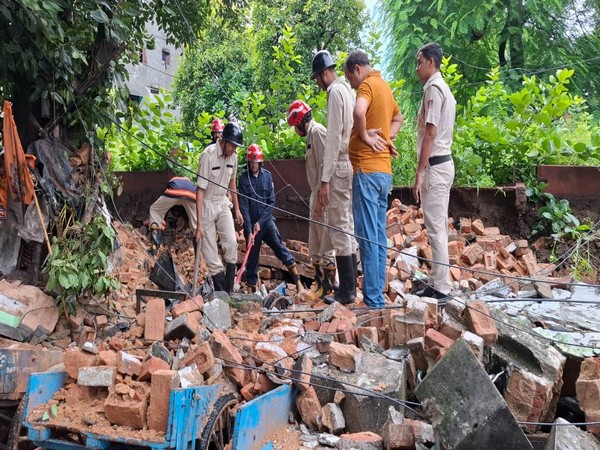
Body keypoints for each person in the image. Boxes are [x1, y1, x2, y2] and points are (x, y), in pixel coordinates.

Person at [343, 50, 404, 308]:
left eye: (349, 78)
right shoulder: (385, 87)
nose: (351, 84)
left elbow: (358, 112)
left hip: (367, 172)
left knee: (368, 237)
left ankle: (373, 301)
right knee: (378, 236)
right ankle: (376, 295)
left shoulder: (367, 85)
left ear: (357, 68)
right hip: (384, 173)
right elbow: (399, 118)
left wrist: (367, 138)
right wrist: (388, 139)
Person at [310, 49, 357, 305]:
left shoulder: (335, 92)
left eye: (318, 78)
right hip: (348, 162)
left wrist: (325, 180)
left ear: (324, 74)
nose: (318, 83)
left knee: (339, 228)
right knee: (346, 225)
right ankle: (349, 287)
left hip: (338, 165)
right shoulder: (348, 91)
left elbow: (332, 140)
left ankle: (347, 290)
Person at [414, 43, 456, 300]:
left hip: (436, 165)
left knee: (436, 228)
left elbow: (431, 131)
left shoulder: (434, 89)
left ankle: (442, 288)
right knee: (437, 225)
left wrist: (419, 171)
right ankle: (438, 280)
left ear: (430, 62)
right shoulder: (444, 89)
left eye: (419, 62)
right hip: (443, 163)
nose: (418, 68)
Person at [237, 144, 303, 294]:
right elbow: (244, 207)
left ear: (260, 162)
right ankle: (252, 291)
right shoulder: (243, 178)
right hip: (252, 227)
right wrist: (249, 230)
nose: (254, 165)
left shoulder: (267, 176)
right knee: (252, 259)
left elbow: (271, 203)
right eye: (251, 162)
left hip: (266, 223)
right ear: (248, 162)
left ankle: (298, 282)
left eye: (256, 162)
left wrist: (260, 222)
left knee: (280, 249)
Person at [287, 100, 336, 300]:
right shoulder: (310, 136)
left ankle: (328, 287)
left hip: (323, 193)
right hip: (315, 192)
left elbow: (328, 164)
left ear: (299, 121)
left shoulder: (317, 133)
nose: (295, 131)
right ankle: (318, 284)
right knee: (315, 243)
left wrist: (323, 194)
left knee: (326, 242)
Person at [195, 122, 244, 294]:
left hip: (223, 202)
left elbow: (232, 182)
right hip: (207, 203)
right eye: (233, 146)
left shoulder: (234, 157)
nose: (235, 150)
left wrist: (237, 209)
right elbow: (200, 190)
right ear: (224, 141)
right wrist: (199, 224)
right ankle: (221, 294)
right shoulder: (208, 155)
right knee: (210, 254)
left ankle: (229, 291)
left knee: (231, 243)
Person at [148, 176, 197, 255]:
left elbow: (163, 214)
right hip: (192, 195)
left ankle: (154, 247)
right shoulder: (190, 183)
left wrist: (160, 223)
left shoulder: (173, 181)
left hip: (174, 191)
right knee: (197, 227)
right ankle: (199, 256)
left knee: (156, 210)